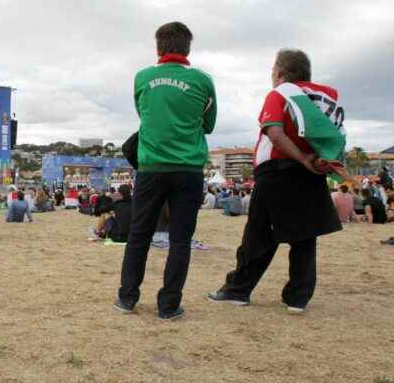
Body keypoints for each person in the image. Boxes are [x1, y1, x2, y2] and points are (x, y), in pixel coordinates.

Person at [208, 48, 343, 314]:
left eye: (272, 69)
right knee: (305, 236)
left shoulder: (280, 93)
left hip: (278, 171)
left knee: (258, 234)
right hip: (312, 174)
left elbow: (275, 133)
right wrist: (313, 160)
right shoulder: (328, 96)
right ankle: (297, 298)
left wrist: (301, 157)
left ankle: (238, 289)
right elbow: (333, 135)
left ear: (280, 73)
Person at [115, 22, 216, 320]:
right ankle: (169, 306)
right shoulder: (203, 81)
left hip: (151, 167)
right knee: (180, 240)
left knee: (139, 236)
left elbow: (144, 115)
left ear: (158, 48)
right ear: (188, 48)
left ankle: (127, 298)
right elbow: (208, 125)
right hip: (188, 169)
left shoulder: (143, 78)